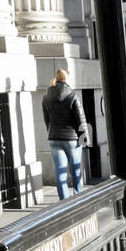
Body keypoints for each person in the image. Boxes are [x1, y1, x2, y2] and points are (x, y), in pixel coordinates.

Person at [42, 68, 88, 200]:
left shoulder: (46, 97)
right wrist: (85, 138)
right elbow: (80, 118)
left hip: (54, 137)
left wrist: (51, 133)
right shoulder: (72, 95)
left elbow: (47, 120)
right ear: (66, 79)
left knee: (60, 170)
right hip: (71, 138)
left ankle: (64, 202)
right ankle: (78, 197)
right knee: (75, 168)